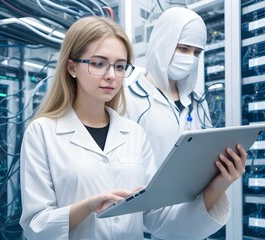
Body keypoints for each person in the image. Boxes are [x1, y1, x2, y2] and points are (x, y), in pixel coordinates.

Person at [19, 15, 246, 240]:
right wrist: (87, 206)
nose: (111, 76)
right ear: (72, 67)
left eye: (119, 67)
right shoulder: (42, 132)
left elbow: (158, 219)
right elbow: (35, 226)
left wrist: (218, 186)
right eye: (98, 64)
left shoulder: (134, 133)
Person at [125, 7, 246, 239]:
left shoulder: (197, 102)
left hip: (193, 216)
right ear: (163, 42)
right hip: (146, 224)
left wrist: (224, 174)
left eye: (196, 52)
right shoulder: (131, 99)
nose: (189, 58)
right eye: (183, 48)